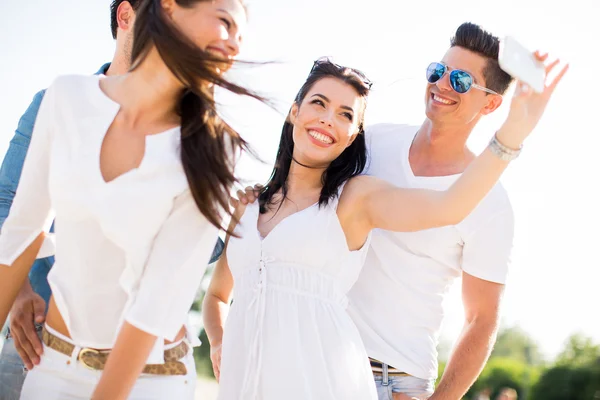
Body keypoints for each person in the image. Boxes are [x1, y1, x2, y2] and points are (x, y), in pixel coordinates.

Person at [203, 50, 566, 399]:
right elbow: (217, 294)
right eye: (318, 103)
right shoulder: (248, 207)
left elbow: (449, 206)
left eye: (346, 115)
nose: (329, 118)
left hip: (335, 380)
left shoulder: (354, 201)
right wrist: (220, 343)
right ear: (294, 112)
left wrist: (512, 134)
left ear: (354, 135)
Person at [0, 0, 255, 398]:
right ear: (168, 8)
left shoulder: (214, 146)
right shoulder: (65, 98)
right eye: (226, 22)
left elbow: (158, 301)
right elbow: (20, 231)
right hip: (49, 366)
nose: (235, 44)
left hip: (155, 376)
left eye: (242, 35)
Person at [346, 22, 568, 400]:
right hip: (322, 354)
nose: (442, 84)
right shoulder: (370, 142)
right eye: (438, 71)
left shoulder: (492, 204)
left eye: (461, 80)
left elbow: (481, 321)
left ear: (491, 103)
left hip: (397, 380)